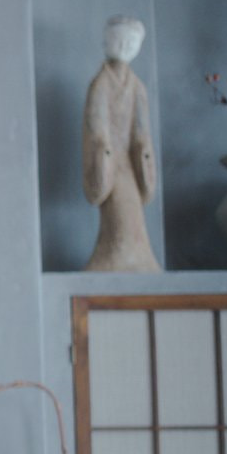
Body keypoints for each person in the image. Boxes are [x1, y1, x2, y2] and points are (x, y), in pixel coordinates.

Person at [83, 14, 160, 272]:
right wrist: (103, 153)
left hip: (130, 163)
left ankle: (138, 260)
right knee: (116, 211)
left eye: (131, 42)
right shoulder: (100, 84)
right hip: (110, 162)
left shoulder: (137, 87)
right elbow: (96, 124)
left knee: (132, 212)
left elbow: (141, 128)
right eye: (119, 40)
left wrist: (143, 152)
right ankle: (112, 258)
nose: (125, 47)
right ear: (106, 42)